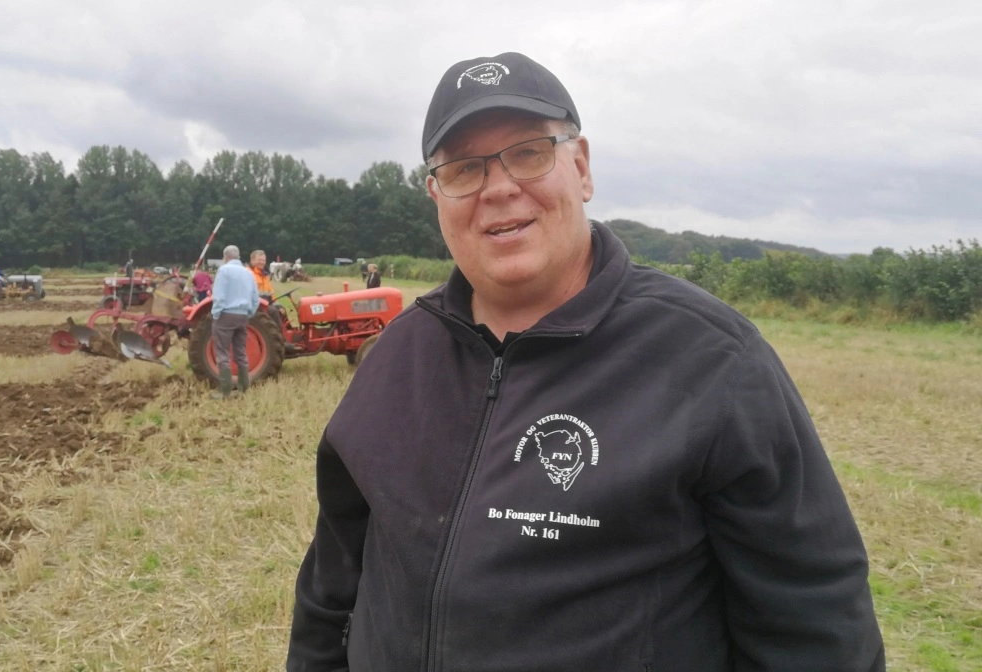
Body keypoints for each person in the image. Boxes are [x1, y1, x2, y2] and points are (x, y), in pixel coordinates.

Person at [286, 52, 885, 671]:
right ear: (436, 194)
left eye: (528, 152)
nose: (498, 188)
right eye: (464, 168)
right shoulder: (394, 360)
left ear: (581, 167)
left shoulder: (712, 362)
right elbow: (330, 595)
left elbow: (814, 624)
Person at [209, 245, 259, 399]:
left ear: (225, 256)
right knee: (240, 352)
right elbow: (255, 298)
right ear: (238, 257)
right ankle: (244, 389)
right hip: (243, 316)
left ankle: (225, 392)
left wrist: (215, 314)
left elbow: (219, 296)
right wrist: (248, 312)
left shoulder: (224, 271)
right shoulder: (248, 273)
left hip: (226, 315)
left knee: (222, 353)